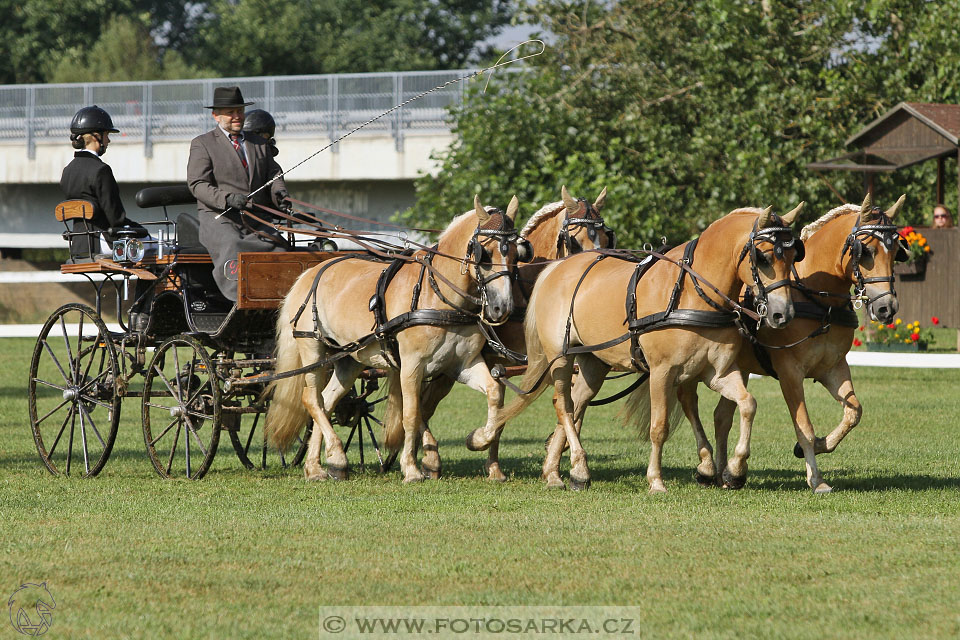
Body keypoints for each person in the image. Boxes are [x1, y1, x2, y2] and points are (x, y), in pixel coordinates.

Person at [186, 87, 293, 302]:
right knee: (234, 246)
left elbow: (273, 174)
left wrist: (280, 194)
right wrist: (226, 199)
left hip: (255, 218)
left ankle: (280, 299)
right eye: (230, 112)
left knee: (281, 247)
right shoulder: (203, 144)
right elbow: (197, 184)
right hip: (220, 218)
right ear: (215, 115)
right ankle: (241, 301)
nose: (237, 117)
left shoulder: (259, 143)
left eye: (240, 111)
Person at [60, 105, 149, 258]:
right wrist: (141, 230)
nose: (108, 140)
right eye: (107, 135)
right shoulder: (101, 170)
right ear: (96, 136)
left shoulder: (67, 170)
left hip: (79, 245)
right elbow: (116, 218)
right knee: (161, 247)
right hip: (103, 242)